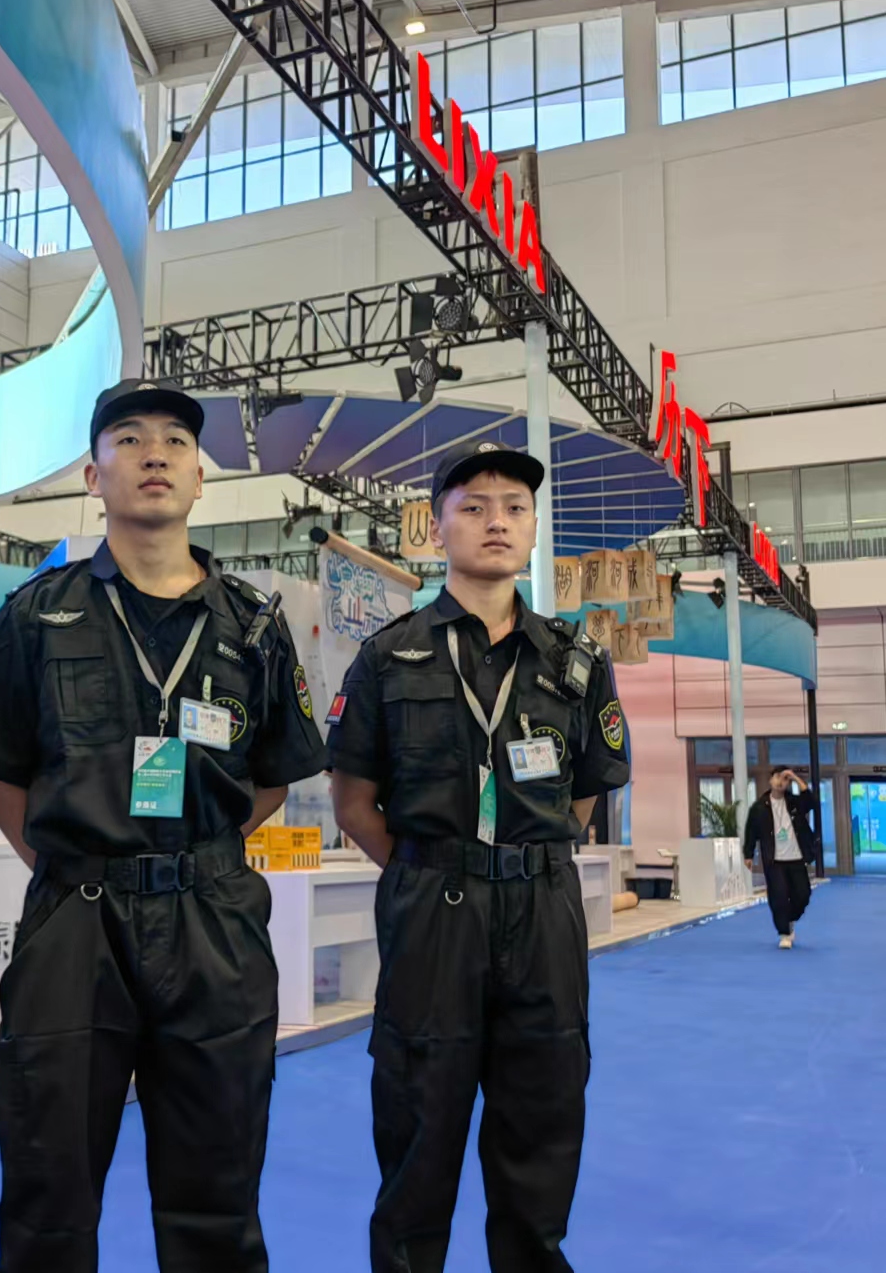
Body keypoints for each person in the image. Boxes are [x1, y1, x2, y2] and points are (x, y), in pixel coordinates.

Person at [0, 380, 327, 1273]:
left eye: (177, 442)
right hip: (75, 928)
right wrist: (80, 868)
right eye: (129, 439)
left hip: (214, 927)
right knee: (48, 1195)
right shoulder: (38, 615)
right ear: (92, 474)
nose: (155, 454)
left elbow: (271, 778)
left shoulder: (252, 627)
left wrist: (195, 858)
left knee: (217, 1199)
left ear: (200, 477)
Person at [327, 439, 630, 1273]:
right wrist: (432, 871)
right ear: (438, 528)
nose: (497, 522)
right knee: (417, 1135)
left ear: (532, 528)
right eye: (474, 507)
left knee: (542, 1129)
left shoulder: (575, 663)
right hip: (433, 911)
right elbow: (354, 802)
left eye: (514, 508)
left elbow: (584, 796)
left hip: (541, 914)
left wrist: (520, 862)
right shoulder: (388, 657)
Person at [742, 768, 819, 949]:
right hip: (774, 860)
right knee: (779, 896)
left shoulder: (794, 803)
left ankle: (790, 918)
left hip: (796, 857)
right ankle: (784, 932)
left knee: (803, 895)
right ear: (770, 780)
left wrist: (795, 777)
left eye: (785, 779)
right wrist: (748, 854)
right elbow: (751, 831)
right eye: (777, 777)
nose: (780, 782)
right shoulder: (759, 807)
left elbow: (811, 801)